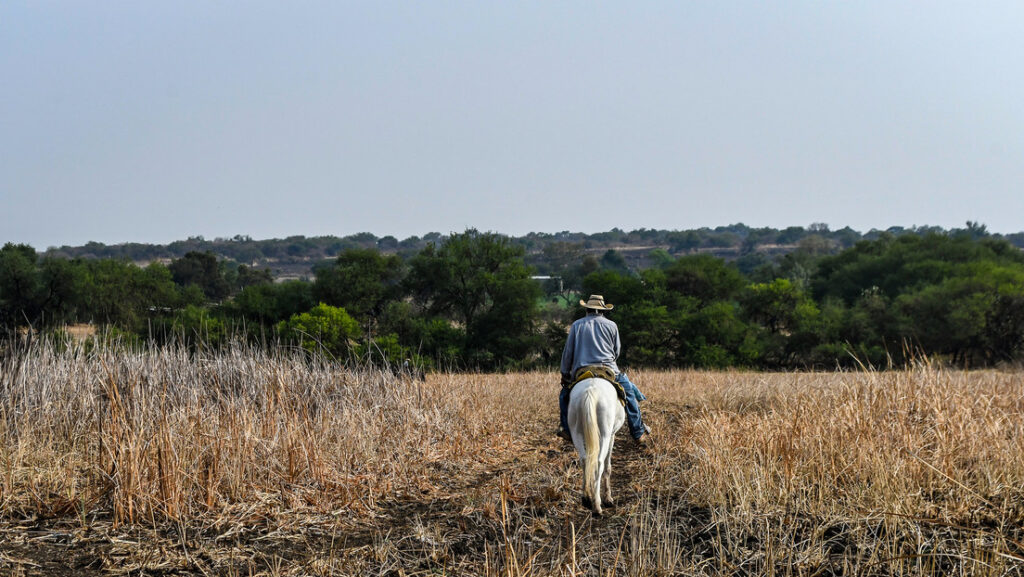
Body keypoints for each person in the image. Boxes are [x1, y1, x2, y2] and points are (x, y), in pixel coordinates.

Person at [559, 294, 651, 444]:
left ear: (587, 309)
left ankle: (567, 430)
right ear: (602, 311)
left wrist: (565, 373)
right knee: (629, 394)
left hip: (582, 370)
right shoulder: (612, 325)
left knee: (564, 396)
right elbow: (616, 351)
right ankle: (637, 431)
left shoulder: (577, 325)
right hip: (608, 370)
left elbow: (568, 352)